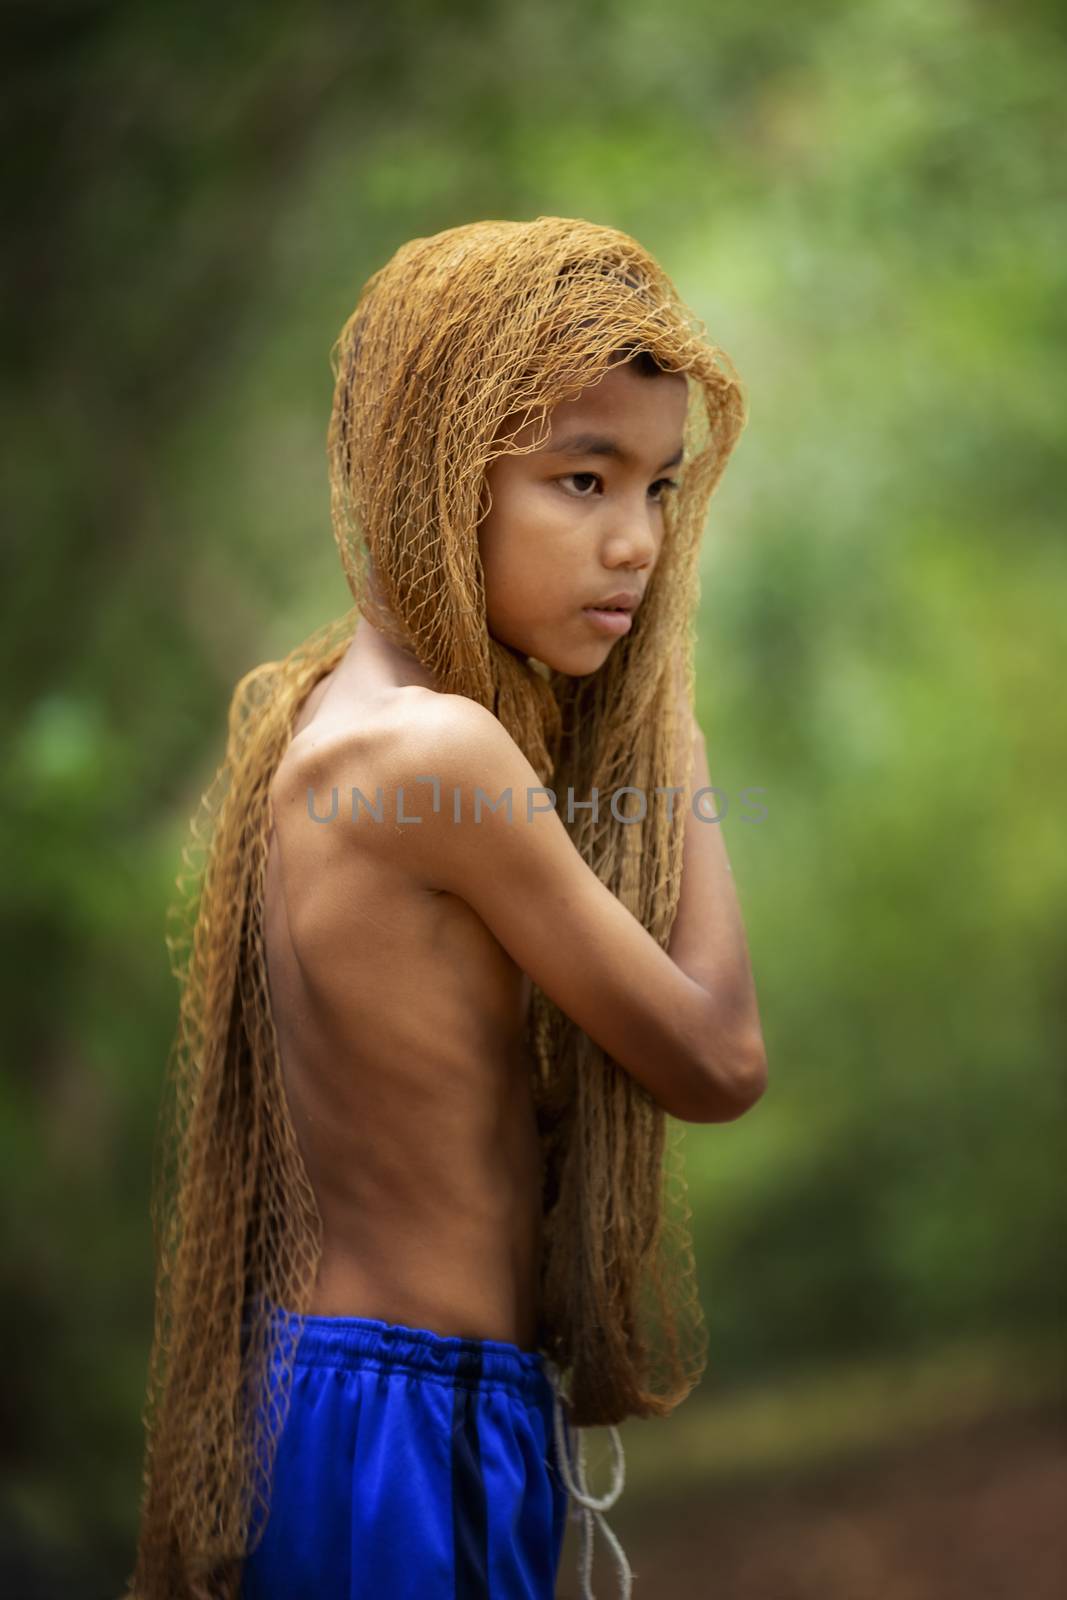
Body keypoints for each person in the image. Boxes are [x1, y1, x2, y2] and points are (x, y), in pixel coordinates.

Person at [125, 216, 767, 1600]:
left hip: (404, 1403)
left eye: (655, 489)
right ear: (438, 473)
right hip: (404, 1420)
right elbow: (717, 1061)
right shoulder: (433, 757)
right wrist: (683, 753)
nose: (633, 543)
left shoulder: (343, 723)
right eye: (580, 480)